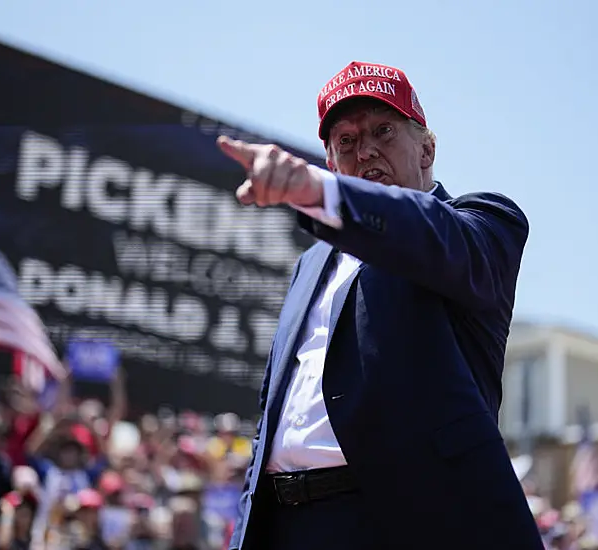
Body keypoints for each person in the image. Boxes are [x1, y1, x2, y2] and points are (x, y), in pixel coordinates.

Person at [219, 61, 541, 550]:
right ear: (332, 161)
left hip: (404, 521)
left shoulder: (478, 225)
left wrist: (317, 192)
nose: (364, 150)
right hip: (288, 524)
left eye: (382, 131)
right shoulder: (310, 266)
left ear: (427, 148)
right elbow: (274, 419)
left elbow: (422, 232)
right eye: (345, 142)